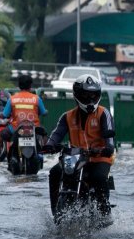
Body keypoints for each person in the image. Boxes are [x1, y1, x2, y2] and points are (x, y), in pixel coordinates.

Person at [43, 75, 115, 217]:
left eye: (93, 95)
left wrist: (106, 149)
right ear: (77, 95)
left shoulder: (103, 113)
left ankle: (104, 214)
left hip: (99, 158)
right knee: (55, 173)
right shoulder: (67, 116)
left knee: (99, 178)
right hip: (75, 158)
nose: (90, 99)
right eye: (86, 95)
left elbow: (110, 140)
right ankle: (55, 212)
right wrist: (49, 146)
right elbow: (56, 134)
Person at [0, 74, 48, 171]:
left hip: (15, 128)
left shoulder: (12, 99)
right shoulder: (36, 98)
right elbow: (44, 113)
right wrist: (45, 111)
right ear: (30, 86)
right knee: (44, 134)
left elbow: (5, 114)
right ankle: (42, 153)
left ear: (19, 86)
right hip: (34, 128)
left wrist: (1, 114)